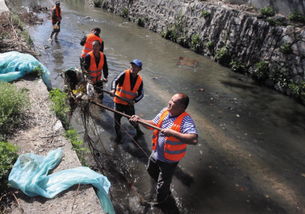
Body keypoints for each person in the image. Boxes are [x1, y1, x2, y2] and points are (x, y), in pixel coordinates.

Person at [130, 93, 198, 205]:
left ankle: (162, 201)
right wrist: (139, 120)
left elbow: (193, 139)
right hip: (156, 153)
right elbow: (152, 124)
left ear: (182, 107)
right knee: (150, 170)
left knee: (162, 185)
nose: (169, 102)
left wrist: (173, 133)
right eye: (170, 99)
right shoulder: (165, 111)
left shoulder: (186, 120)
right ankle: (164, 187)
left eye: (173, 101)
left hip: (169, 160)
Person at [110, 59, 144, 143]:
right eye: (132, 65)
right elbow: (115, 81)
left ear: (139, 69)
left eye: (136, 67)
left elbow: (141, 94)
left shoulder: (140, 80)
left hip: (129, 104)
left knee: (133, 120)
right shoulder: (124, 74)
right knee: (116, 122)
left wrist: (134, 101)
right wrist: (113, 90)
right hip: (118, 102)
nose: (133, 68)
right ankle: (119, 137)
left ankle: (139, 132)